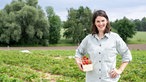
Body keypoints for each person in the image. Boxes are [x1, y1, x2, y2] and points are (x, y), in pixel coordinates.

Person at [74, 10, 132, 82]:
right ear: (94, 23)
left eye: (103, 20)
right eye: (98, 21)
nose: (100, 23)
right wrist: (78, 62)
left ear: (107, 21)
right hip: (92, 79)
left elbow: (126, 54)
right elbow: (78, 53)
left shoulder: (115, 38)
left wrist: (120, 70)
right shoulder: (88, 39)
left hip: (109, 79)